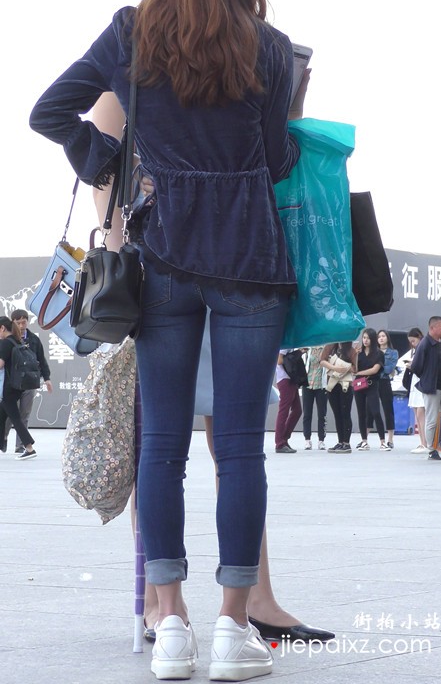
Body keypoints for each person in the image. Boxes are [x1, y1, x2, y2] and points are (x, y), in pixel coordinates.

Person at [30, 0, 316, 679]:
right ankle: (233, 629)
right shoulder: (269, 47)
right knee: (241, 449)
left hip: (161, 260)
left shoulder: (133, 32)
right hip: (250, 261)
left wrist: (106, 160)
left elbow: (49, 112)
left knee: (160, 447)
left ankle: (174, 629)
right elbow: (276, 161)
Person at [91, 92, 335, 650]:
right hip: (168, 265)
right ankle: (165, 605)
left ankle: (250, 600)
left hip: (225, 260)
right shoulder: (135, 60)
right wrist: (121, 268)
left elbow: (269, 153)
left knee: (219, 443)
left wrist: (290, 99)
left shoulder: (239, 55)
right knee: (171, 440)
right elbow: (104, 167)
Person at [4, 309, 52, 453]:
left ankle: (21, 446)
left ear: (28, 322)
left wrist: (47, 378)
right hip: (11, 382)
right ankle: (3, 438)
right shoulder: (7, 340)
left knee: (24, 414)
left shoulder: (34, 339)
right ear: (12, 323)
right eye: (18, 323)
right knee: (8, 414)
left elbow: (41, 360)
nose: (21, 325)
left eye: (23, 322)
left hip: (29, 383)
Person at [410, 316, 441, 461]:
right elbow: (415, 367)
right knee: (432, 420)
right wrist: (428, 377)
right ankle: (431, 450)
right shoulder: (425, 344)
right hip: (432, 388)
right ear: (432, 328)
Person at [0, 317, 37, 460]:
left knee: (15, 418)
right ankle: (2, 443)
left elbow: (0, 364)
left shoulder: (5, 343)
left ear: (2, 328)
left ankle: (29, 448)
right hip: (17, 385)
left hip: (8, 387)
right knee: (2, 414)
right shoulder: (17, 341)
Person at [354, 328, 391, 451]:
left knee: (376, 411)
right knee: (361, 413)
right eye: (364, 338)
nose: (365, 340)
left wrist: (359, 373)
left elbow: (375, 370)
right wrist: (354, 355)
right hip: (359, 385)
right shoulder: (359, 353)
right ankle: (364, 441)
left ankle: (383, 441)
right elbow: (353, 368)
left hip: (372, 384)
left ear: (373, 339)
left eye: (368, 338)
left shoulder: (378, 353)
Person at [320, 341, 357, 452]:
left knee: (345, 413)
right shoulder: (330, 346)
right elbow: (322, 361)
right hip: (332, 382)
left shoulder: (351, 350)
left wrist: (344, 367)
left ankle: (346, 443)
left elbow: (355, 369)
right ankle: (340, 441)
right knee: (337, 414)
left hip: (345, 384)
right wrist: (334, 367)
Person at [401, 328, 427, 453]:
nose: (412, 343)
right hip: (414, 383)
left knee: (421, 414)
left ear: (419, 338)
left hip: (421, 383)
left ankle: (425, 443)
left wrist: (413, 366)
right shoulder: (415, 351)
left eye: (413, 341)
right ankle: (422, 442)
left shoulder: (425, 349)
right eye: (410, 341)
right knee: (417, 414)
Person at [274, 350, 302, 453]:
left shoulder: (289, 344)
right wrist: (297, 354)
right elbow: (279, 360)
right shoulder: (286, 344)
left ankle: (283, 439)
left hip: (290, 378)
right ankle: (280, 443)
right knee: (284, 411)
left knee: (297, 410)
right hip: (285, 379)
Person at [302, 346, 327, 450]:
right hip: (308, 385)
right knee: (307, 413)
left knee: (322, 414)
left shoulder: (326, 349)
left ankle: (321, 440)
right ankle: (307, 439)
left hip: (321, 385)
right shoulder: (308, 349)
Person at [377, 329, 398, 449]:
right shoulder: (373, 351)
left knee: (388, 409)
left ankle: (390, 439)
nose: (381, 338)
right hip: (374, 382)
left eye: (383, 336)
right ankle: (365, 439)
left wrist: (376, 367)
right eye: (379, 336)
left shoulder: (393, 352)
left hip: (385, 381)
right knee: (370, 410)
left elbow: (389, 369)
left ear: (387, 338)